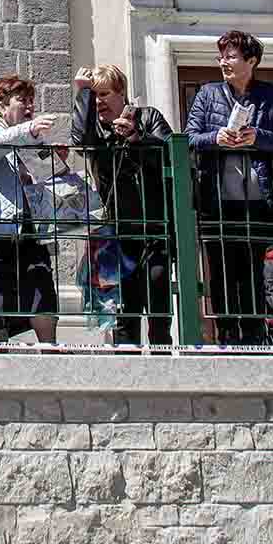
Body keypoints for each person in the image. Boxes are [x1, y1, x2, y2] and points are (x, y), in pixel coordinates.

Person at [185, 29, 273, 347]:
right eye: (221, 57)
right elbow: (189, 137)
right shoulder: (207, 93)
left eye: (230, 57)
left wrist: (257, 137)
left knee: (254, 273)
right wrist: (215, 138)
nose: (223, 62)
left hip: (258, 200)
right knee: (221, 273)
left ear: (251, 61)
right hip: (217, 199)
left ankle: (256, 336)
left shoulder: (270, 95)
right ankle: (227, 336)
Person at [70, 63, 175, 347]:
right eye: (95, 95)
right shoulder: (96, 129)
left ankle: (163, 375)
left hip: (154, 229)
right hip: (117, 233)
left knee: (158, 314)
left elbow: (173, 156)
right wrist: (82, 93)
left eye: (104, 94)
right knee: (123, 316)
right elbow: (80, 140)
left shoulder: (148, 117)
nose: (99, 101)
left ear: (121, 94)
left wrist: (135, 137)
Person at [0, 74, 59, 348]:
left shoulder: (30, 137)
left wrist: (55, 161)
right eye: (22, 100)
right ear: (1, 105)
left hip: (31, 229)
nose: (30, 107)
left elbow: (45, 176)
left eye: (32, 102)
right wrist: (27, 132)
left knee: (43, 291)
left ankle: (51, 353)